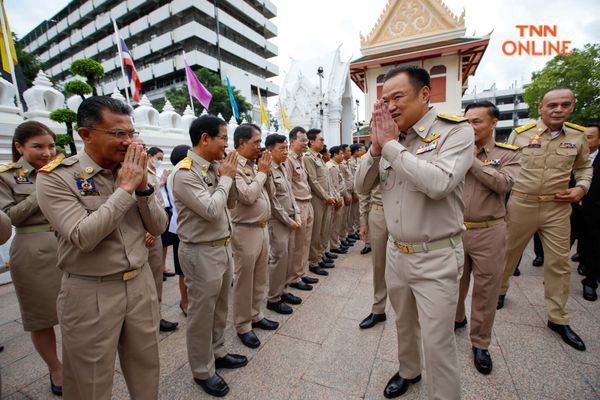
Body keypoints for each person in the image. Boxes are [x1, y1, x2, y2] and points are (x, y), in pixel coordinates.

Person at [37, 96, 168, 399]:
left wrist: (143, 187)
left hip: (139, 283)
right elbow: (83, 236)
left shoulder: (135, 171)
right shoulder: (57, 178)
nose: (128, 142)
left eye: (131, 133)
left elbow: (158, 226)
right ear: (86, 135)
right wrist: (124, 189)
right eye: (118, 134)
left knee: (146, 368)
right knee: (89, 381)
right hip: (90, 291)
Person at [355, 65, 473, 400]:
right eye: (384, 99)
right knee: (404, 324)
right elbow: (360, 185)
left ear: (425, 94)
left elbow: (439, 184)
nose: (390, 105)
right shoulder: (390, 138)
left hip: (436, 255)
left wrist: (390, 145)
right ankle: (409, 370)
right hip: (397, 253)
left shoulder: (454, 132)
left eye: (398, 97)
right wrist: (377, 149)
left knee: (438, 342)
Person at [499, 87, 592, 352]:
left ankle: (557, 317)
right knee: (507, 254)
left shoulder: (577, 136)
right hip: (521, 204)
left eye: (565, 105)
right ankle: (500, 292)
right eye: (552, 105)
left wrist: (582, 187)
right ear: (541, 107)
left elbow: (584, 167)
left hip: (557, 206)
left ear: (571, 107)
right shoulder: (520, 135)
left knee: (559, 263)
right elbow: (507, 164)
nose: (558, 110)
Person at [172, 114, 247, 397]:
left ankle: (218, 353)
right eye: (224, 138)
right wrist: (226, 178)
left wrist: (230, 176)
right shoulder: (185, 172)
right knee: (202, 313)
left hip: (222, 246)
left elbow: (230, 202)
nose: (227, 145)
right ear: (205, 139)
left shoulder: (215, 167)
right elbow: (212, 210)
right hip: (200, 251)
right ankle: (202, 370)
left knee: (220, 307)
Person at [454, 101, 520, 375]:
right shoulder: (453, 150)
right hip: (456, 229)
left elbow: (503, 184)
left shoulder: (508, 154)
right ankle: (456, 320)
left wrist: (471, 160)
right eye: (467, 121)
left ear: (493, 123)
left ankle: (480, 343)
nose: (471, 126)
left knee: (486, 289)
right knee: (453, 283)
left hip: (489, 230)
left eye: (477, 121)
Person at [0, 121, 63, 396]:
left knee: (78, 310)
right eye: (38, 146)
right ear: (19, 147)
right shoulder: (7, 177)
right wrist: (42, 189)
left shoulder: (63, 171)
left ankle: (78, 360)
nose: (47, 153)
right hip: (32, 249)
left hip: (68, 245)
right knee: (41, 317)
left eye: (51, 146)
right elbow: (9, 217)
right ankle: (55, 367)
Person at [231, 123, 279, 349]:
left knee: (260, 277)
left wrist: (263, 173)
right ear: (241, 143)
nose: (260, 147)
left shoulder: (254, 165)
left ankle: (256, 314)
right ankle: (243, 325)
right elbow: (248, 196)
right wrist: (262, 173)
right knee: (244, 280)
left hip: (261, 228)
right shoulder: (233, 166)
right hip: (245, 230)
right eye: (256, 142)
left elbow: (267, 193)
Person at [140, 142, 178, 332]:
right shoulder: (123, 173)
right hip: (137, 236)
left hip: (154, 232)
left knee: (156, 280)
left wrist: (154, 228)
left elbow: (159, 203)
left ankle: (157, 315)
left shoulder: (151, 173)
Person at [264, 134, 303, 314]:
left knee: (287, 258)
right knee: (279, 259)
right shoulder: (267, 170)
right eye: (282, 148)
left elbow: (290, 194)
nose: (286, 151)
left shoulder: (281, 168)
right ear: (270, 151)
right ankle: (273, 298)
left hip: (290, 220)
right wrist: (289, 221)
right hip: (278, 222)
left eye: (287, 147)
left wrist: (297, 214)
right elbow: (273, 202)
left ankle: (283, 290)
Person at [285, 127, 319, 288]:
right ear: (292, 141)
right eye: (302, 140)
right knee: (297, 244)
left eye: (307, 140)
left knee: (305, 242)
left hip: (307, 201)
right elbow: (287, 187)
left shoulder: (300, 158)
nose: (306, 143)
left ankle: (301, 272)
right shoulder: (288, 159)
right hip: (298, 204)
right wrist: (294, 210)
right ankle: (293, 277)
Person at [304, 130, 336, 275]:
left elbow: (327, 180)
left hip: (326, 199)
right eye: (320, 140)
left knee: (325, 228)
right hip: (318, 199)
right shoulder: (308, 158)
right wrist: (325, 196)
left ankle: (321, 255)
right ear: (311, 142)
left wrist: (332, 195)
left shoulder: (319, 158)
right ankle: (313, 261)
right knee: (316, 232)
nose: (322, 142)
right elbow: (313, 181)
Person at [357, 180, 388, 329]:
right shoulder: (373, 157)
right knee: (379, 265)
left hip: (405, 213)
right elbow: (364, 191)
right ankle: (378, 309)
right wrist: (363, 221)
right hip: (379, 211)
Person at [166, 144, 192, 316]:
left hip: (185, 227)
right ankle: (184, 302)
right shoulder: (180, 174)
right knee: (183, 270)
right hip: (180, 228)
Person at [147, 146, 176, 279]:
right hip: (155, 208)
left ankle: (162, 267)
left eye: (161, 159)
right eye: (158, 158)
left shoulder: (159, 170)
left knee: (165, 243)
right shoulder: (146, 172)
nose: (159, 161)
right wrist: (162, 181)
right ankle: (155, 269)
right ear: (149, 156)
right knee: (155, 242)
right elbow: (148, 190)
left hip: (166, 207)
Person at [579, 123, 600, 301]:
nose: (585, 141)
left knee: (594, 247)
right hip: (567, 208)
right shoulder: (570, 155)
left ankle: (590, 283)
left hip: (594, 210)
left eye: (590, 137)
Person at [327, 146, 348, 254]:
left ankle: (336, 242)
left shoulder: (336, 166)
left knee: (338, 222)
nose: (343, 155)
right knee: (335, 223)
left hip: (339, 196)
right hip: (337, 197)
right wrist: (337, 198)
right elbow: (334, 186)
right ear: (334, 155)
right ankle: (334, 245)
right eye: (341, 153)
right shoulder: (331, 167)